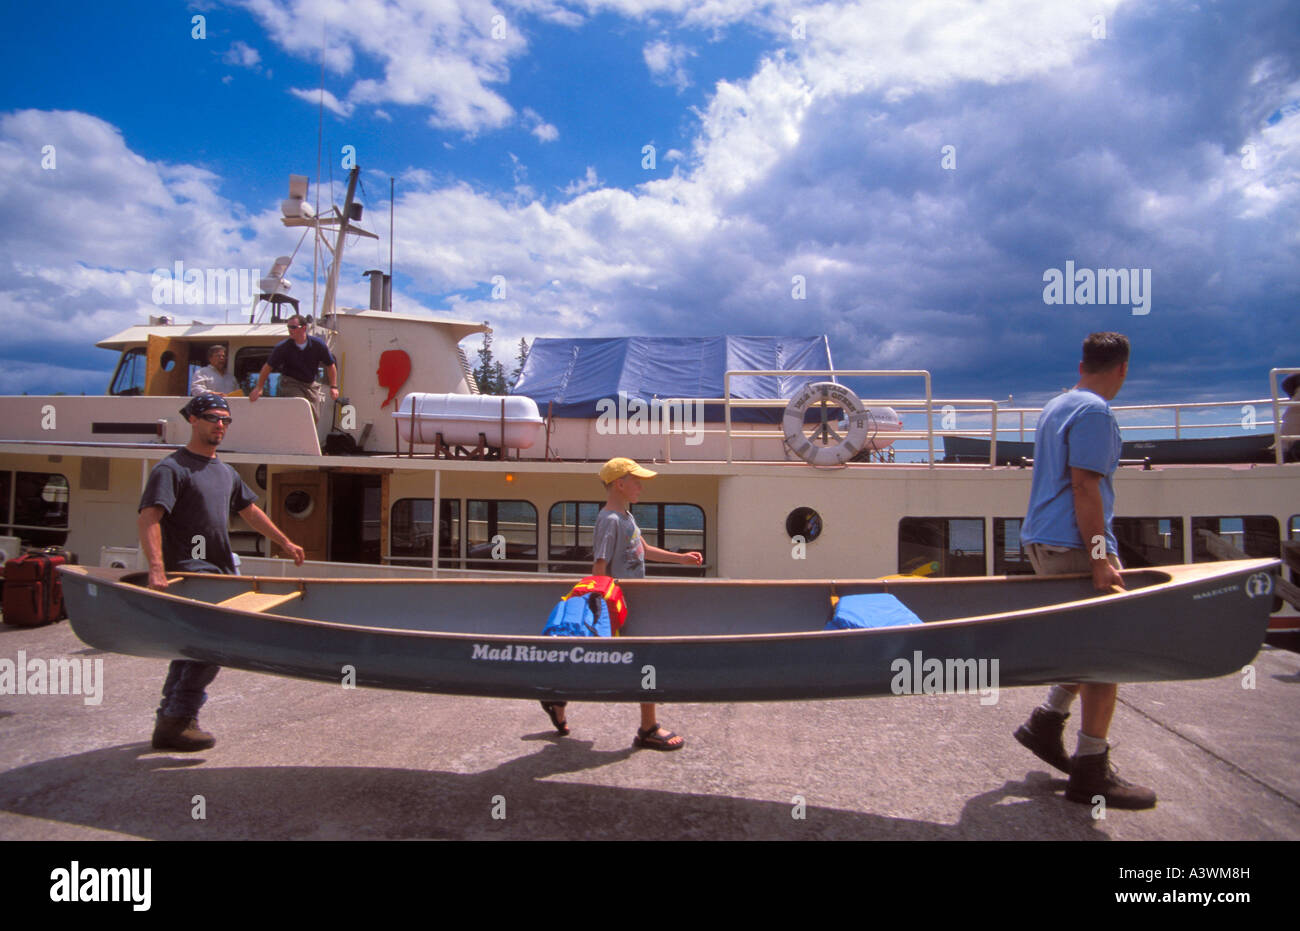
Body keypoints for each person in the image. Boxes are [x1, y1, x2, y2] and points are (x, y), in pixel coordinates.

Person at [1013, 332, 1156, 809]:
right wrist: (1099, 558)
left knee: (1085, 640)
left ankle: (1046, 722)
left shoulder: (1057, 406)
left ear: (1082, 365)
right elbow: (1084, 488)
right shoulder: (1095, 411)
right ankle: (1091, 770)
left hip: (1042, 540)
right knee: (1105, 652)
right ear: (1122, 369)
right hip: (1076, 544)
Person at [139, 393, 305, 751]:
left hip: (221, 572)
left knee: (192, 648)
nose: (220, 425)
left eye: (226, 421)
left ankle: (170, 720)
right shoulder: (171, 469)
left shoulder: (225, 472)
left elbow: (249, 511)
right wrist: (156, 570)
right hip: (191, 573)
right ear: (193, 420)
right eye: (214, 418)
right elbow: (150, 517)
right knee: (214, 645)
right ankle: (178, 718)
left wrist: (285, 542)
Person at [540, 458, 703, 750]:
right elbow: (599, 567)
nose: (641, 486)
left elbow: (643, 549)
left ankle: (556, 697)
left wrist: (680, 558)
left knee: (631, 661)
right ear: (620, 484)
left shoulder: (627, 517)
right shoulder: (610, 520)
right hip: (614, 606)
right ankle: (647, 728)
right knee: (642, 660)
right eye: (636, 480)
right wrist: (601, 613)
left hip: (629, 602)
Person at [248, 314, 339, 422]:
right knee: (300, 405)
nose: (290, 330)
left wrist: (333, 387)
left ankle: (306, 437)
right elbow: (267, 367)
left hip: (310, 384)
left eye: (293, 327)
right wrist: (259, 387)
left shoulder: (318, 345)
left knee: (314, 417)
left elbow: (330, 365)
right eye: (288, 327)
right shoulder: (282, 347)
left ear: (304, 328)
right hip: (291, 382)